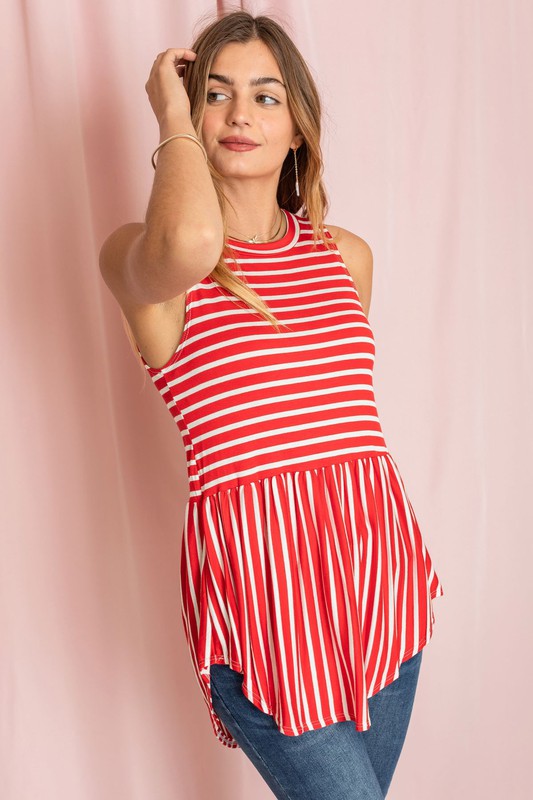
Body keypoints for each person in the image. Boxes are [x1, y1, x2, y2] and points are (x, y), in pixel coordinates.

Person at [99, 10, 444, 799]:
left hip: (376, 589)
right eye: (214, 95)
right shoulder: (148, 261)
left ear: (298, 128)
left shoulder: (343, 256)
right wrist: (168, 111)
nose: (238, 115)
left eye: (264, 96)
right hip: (263, 614)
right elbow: (191, 237)